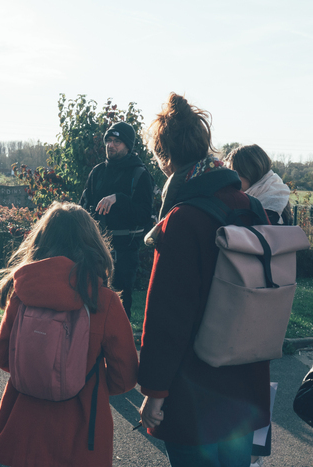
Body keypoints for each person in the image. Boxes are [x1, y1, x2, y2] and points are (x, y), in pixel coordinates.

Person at [138, 93, 270, 467]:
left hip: (193, 389)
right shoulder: (251, 206)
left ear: (165, 159)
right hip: (245, 381)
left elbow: (167, 314)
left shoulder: (183, 218)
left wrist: (155, 390)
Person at [0, 201, 138, 466]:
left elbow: (3, 358)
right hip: (81, 436)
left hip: (23, 432)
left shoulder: (22, 293)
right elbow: (124, 377)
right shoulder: (104, 301)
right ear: (93, 243)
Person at [225, 143, 291, 467]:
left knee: (248, 378)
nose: (234, 182)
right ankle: (253, 452)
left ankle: (250, 453)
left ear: (251, 173)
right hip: (272, 297)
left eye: (238, 174)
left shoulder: (265, 205)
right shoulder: (276, 196)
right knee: (256, 376)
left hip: (257, 298)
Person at [80, 121, 154, 319]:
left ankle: (119, 348)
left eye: (117, 142)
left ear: (128, 146)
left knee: (119, 308)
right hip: (95, 248)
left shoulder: (139, 174)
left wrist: (119, 199)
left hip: (125, 251)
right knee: (91, 303)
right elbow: (84, 206)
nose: (110, 145)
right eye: (109, 141)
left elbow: (144, 215)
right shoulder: (97, 172)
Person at [226, 144, 292, 225]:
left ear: (250, 172)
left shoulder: (268, 207)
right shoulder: (275, 194)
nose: (232, 182)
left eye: (236, 175)